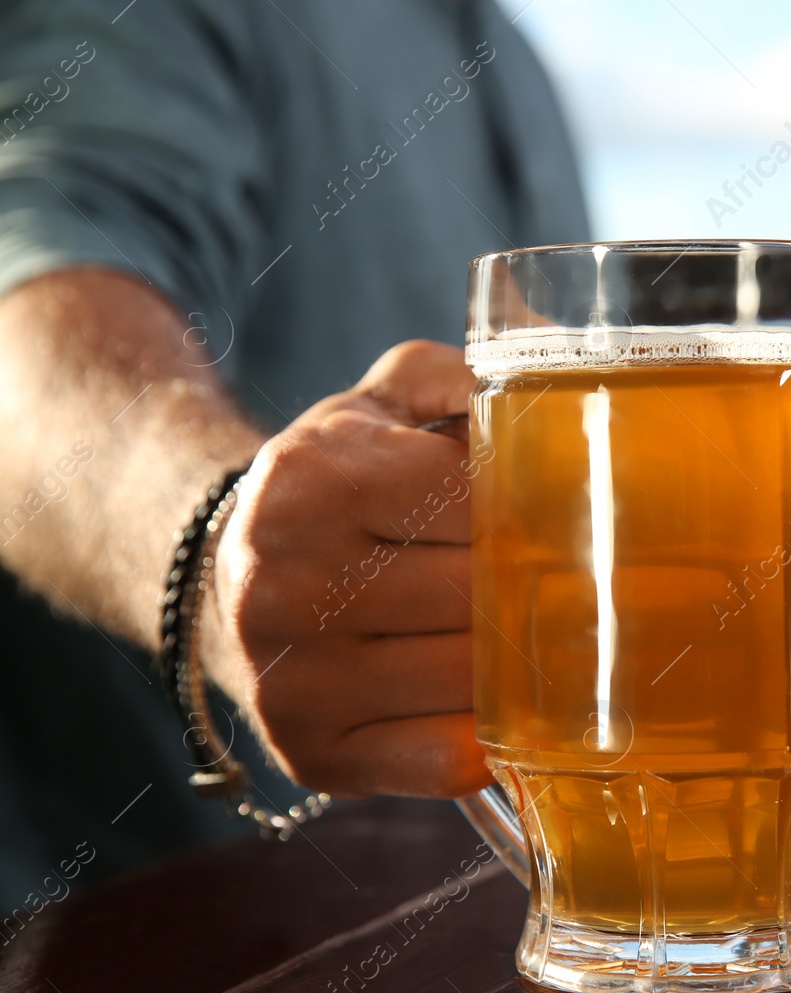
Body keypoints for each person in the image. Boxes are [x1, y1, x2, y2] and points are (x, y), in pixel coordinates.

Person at [0, 0, 588, 906]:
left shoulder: (517, 63)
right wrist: (216, 544)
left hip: (471, 925)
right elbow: (24, 321)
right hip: (146, 954)